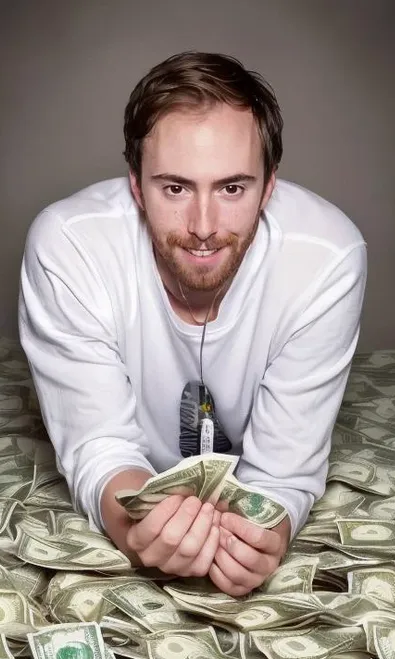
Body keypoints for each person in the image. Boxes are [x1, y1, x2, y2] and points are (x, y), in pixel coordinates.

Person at [19, 51, 367, 596]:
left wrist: (269, 530)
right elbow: (99, 445)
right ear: (136, 186)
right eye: (175, 188)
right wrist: (131, 526)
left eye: (233, 189)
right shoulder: (69, 246)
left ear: (269, 187)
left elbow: (283, 474)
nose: (203, 227)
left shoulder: (327, 257)